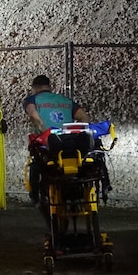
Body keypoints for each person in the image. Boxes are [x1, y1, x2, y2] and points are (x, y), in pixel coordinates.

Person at [22, 74, 91, 219]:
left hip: (50, 144)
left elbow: (34, 116)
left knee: (36, 165)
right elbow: (85, 118)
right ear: (49, 87)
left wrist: (44, 134)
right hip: (71, 144)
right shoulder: (66, 101)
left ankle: (35, 198)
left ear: (34, 88)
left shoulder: (32, 100)